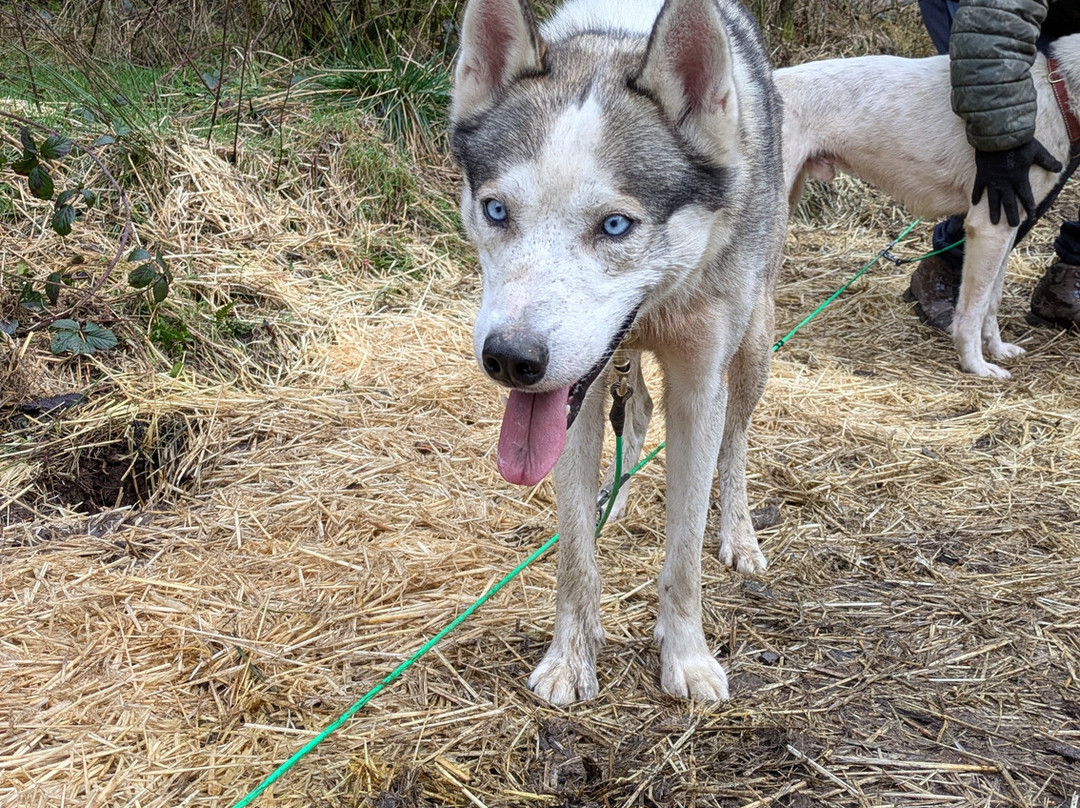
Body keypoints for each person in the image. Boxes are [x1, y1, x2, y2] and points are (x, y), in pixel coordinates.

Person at [909, 0, 1080, 332]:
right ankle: (949, 267)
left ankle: (1072, 271)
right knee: (1015, 154)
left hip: (1061, 16)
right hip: (991, 12)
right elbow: (992, 24)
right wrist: (1002, 139)